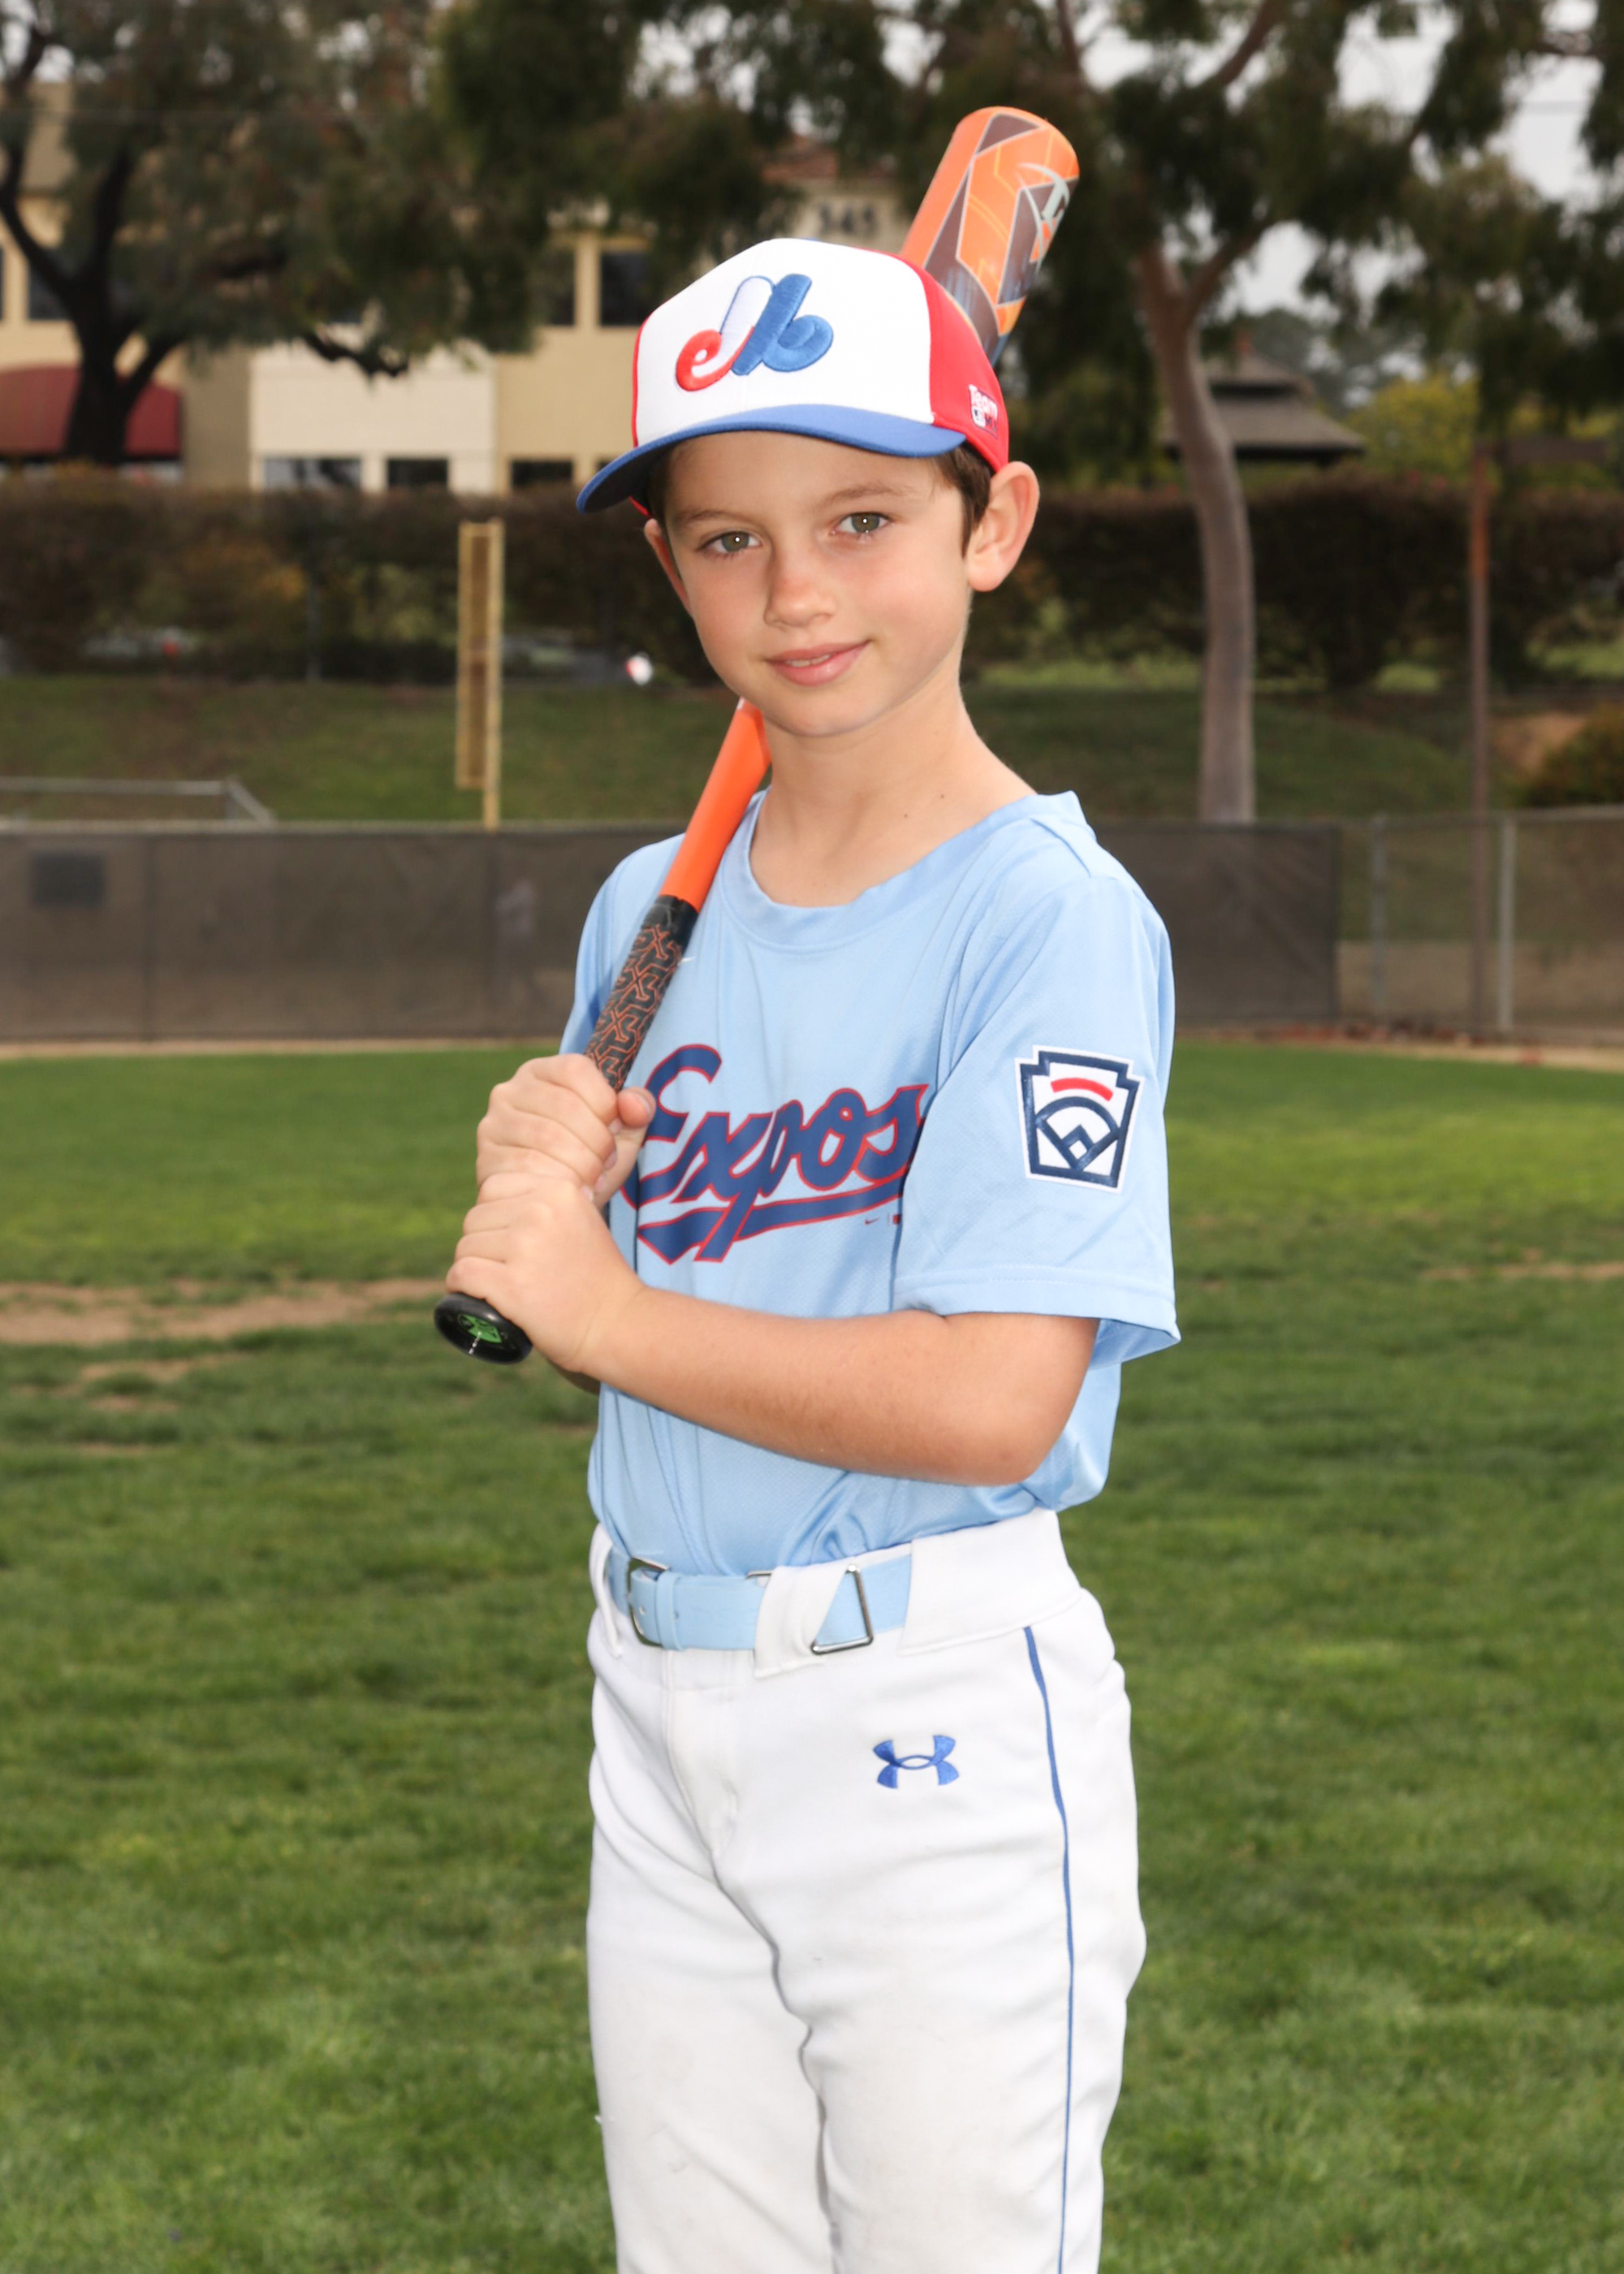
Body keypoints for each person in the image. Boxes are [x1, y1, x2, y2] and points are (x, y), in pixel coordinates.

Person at [449, 236, 1177, 2274]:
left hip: (927, 1715)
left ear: (990, 525)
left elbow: (991, 1394)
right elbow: (653, 1339)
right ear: (669, 568)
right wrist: (554, 1218)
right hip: (655, 1690)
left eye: (862, 520)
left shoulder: (1046, 916)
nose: (795, 594)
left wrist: (606, 1304)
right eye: (728, 540)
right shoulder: (646, 917)